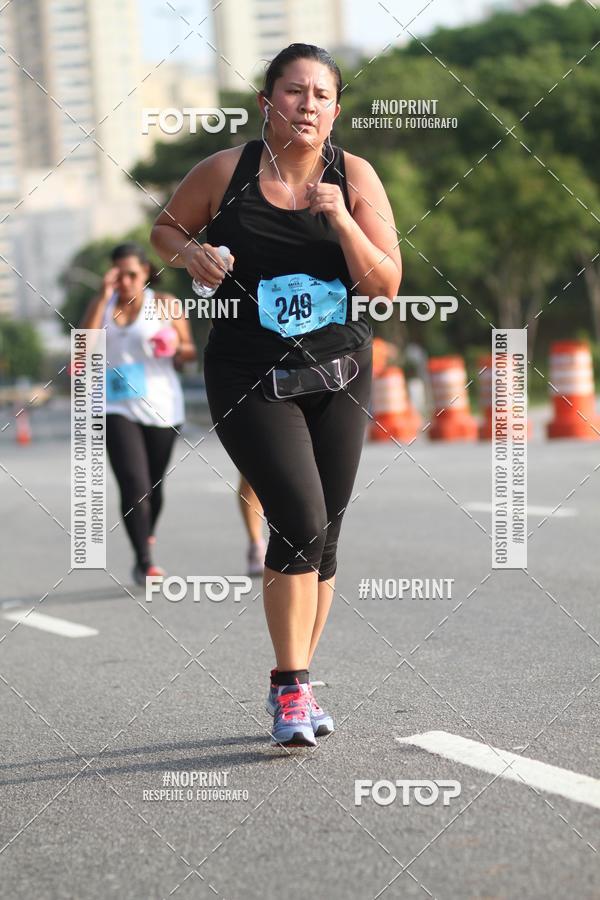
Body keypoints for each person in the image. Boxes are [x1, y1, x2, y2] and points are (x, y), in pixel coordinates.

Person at [151, 43, 402, 746]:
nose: (308, 106)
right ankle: (289, 690)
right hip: (250, 376)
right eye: (295, 92)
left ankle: (301, 680)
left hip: (341, 373)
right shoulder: (224, 173)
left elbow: (386, 287)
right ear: (268, 103)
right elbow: (165, 228)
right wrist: (190, 253)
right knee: (297, 515)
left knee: (326, 535)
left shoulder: (355, 177)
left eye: (322, 96)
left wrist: (343, 219)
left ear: (335, 110)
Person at [79, 242, 196, 585]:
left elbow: (189, 353)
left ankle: (146, 534)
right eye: (119, 274)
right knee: (134, 484)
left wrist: (174, 346)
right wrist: (102, 296)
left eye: (132, 274)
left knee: (154, 488)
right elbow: (83, 349)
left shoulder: (165, 305)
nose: (126, 281)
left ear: (146, 272)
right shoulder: (103, 305)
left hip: (161, 406)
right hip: (114, 406)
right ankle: (144, 561)